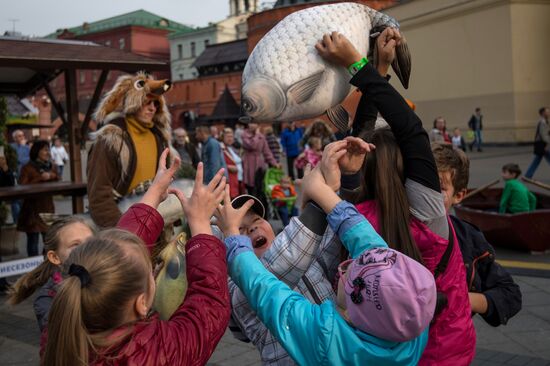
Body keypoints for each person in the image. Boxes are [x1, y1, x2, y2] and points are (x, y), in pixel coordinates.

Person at [318, 29, 475, 364]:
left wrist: (378, 66)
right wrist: (359, 65)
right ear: (410, 173)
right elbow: (411, 129)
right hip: (442, 347)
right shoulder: (426, 216)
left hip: (380, 351)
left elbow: (361, 141)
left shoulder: (355, 213)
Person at [216, 162, 436, 365]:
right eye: (242, 230)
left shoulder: (326, 335)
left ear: (352, 312)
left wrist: (233, 237)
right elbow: (372, 250)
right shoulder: (411, 327)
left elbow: (264, 282)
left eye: (255, 221)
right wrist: (339, 184)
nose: (347, 265)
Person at [42, 161, 231, 366]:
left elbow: (118, 257)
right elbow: (208, 304)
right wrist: (201, 224)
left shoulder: (59, 334)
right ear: (141, 304)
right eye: (150, 273)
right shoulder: (160, 352)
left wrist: (152, 196)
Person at [432, 143, 522, 326]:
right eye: (423, 184)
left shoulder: (468, 239)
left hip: (451, 346)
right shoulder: (396, 228)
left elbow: (510, 294)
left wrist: (463, 299)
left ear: (459, 195)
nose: (427, 195)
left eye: (439, 188)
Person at [87, 72, 172, 228]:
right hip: (123, 226)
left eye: (156, 104)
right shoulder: (110, 139)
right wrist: (122, 231)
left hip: (156, 224)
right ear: (133, 102)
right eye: (147, 102)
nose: (152, 108)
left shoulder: (160, 138)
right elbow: (99, 195)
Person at [8, 216, 94, 331]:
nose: (87, 249)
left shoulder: (107, 276)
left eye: (91, 242)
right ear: (54, 257)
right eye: (75, 245)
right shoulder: (47, 300)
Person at [17, 140, 59, 257]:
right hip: (32, 211)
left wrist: (52, 175)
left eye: (48, 149)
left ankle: (48, 267)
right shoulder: (27, 167)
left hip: (48, 208)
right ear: (37, 151)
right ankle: (34, 270)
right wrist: (40, 178)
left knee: (50, 241)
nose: (48, 152)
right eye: (45, 150)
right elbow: (22, 186)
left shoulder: (51, 166)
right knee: (33, 242)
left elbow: (58, 180)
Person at [241, 122, 280, 196]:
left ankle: (260, 204)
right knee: (250, 186)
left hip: (259, 164)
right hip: (248, 163)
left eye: (255, 123)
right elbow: (252, 146)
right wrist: (256, 135)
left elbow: (267, 152)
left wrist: (275, 163)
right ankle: (251, 202)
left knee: (260, 186)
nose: (253, 125)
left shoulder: (261, 136)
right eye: (251, 123)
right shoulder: (244, 135)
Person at [525, 107, 550, 178]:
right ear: (543, 113)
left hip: (542, 144)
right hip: (543, 144)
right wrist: (548, 143)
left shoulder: (545, 121)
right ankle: (527, 175)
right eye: (547, 112)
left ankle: (528, 175)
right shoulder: (543, 122)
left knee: (537, 160)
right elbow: (543, 135)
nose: (549, 113)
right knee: (537, 160)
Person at [221, 127, 245, 198]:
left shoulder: (232, 148)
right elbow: (219, 163)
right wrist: (227, 167)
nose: (230, 139)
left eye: (232, 137)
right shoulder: (221, 148)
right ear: (223, 137)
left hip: (239, 179)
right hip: (231, 180)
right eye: (228, 137)